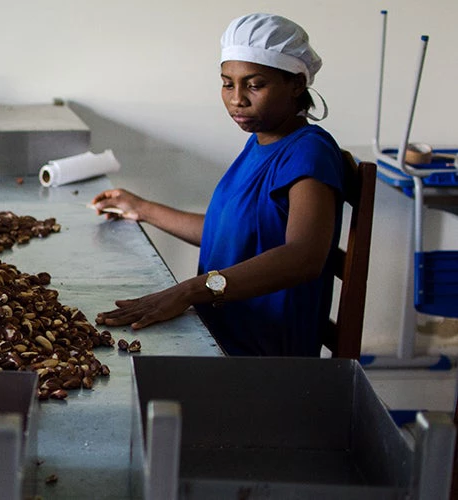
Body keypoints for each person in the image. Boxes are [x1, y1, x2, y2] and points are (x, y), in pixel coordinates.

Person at [90, 13, 344, 357]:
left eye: (254, 85)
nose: (237, 98)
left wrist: (192, 290)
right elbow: (227, 233)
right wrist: (142, 209)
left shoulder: (309, 152)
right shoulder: (260, 143)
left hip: (263, 357)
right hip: (219, 334)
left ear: (297, 84)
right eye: (228, 83)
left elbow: (304, 257)